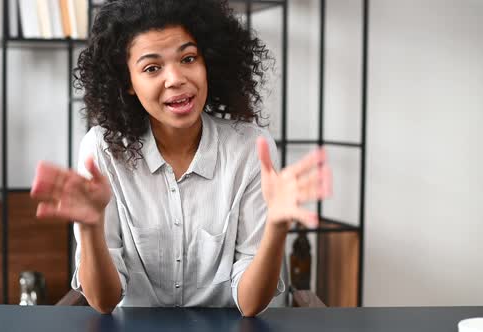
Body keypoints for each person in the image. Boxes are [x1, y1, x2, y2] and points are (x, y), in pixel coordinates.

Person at [30, 0, 332, 317]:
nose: (175, 78)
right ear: (127, 82)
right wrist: (91, 228)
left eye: (188, 58)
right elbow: (104, 301)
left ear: (209, 63)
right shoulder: (102, 150)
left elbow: (251, 304)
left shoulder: (250, 148)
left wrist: (276, 226)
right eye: (151, 68)